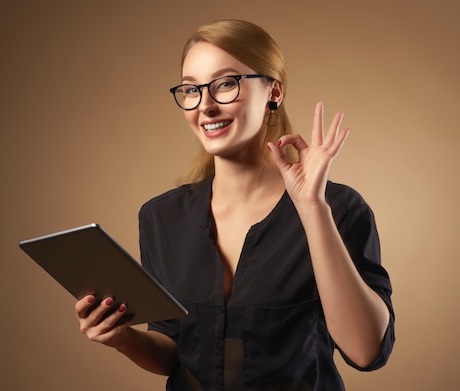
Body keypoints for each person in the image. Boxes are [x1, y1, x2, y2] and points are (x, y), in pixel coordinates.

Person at [75, 19, 395, 390]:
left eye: (226, 84)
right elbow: (175, 347)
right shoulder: (161, 217)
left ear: (273, 91)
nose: (206, 106)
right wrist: (122, 338)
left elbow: (366, 351)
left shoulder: (337, 208)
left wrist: (311, 209)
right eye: (191, 89)